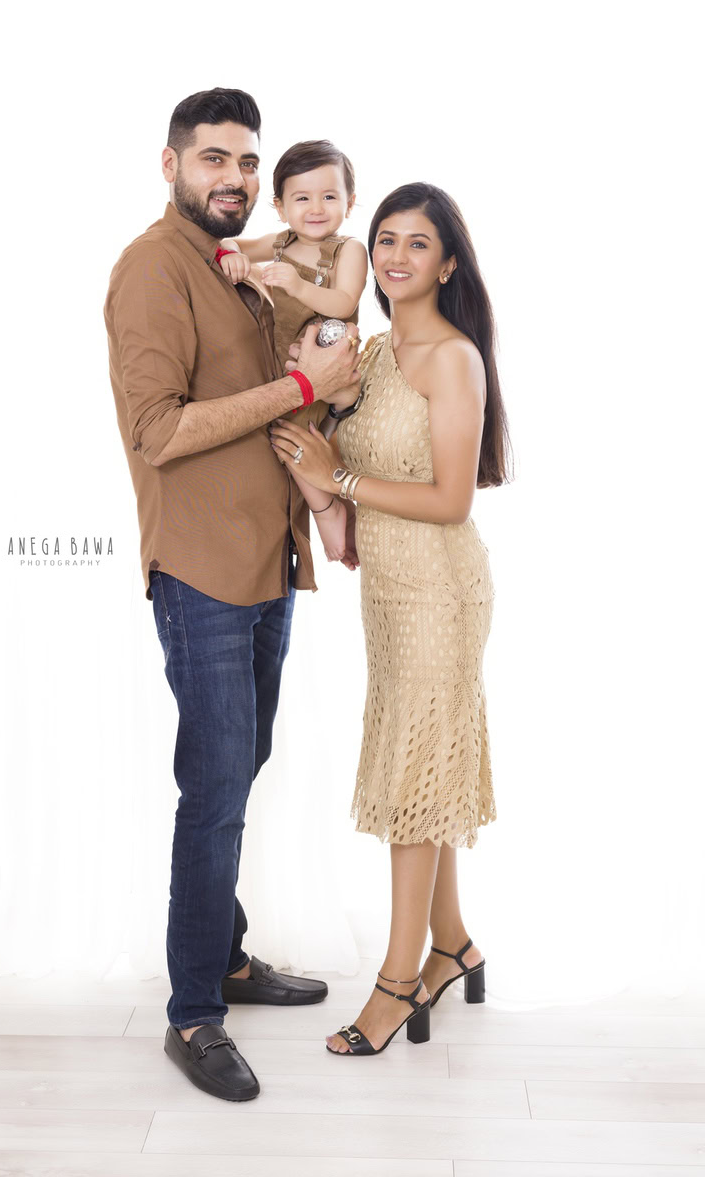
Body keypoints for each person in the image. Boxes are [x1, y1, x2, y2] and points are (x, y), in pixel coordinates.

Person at [104, 88, 361, 1100]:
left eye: (247, 162)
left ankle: (227, 956)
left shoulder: (240, 264)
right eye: (213, 160)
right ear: (168, 164)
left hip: (269, 563)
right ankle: (192, 1012)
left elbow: (333, 306)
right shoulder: (150, 270)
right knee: (214, 787)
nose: (235, 180)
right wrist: (303, 392)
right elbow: (159, 429)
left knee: (237, 763)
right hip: (202, 572)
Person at [270, 182, 512, 1056]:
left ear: (447, 262)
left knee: (414, 779)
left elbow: (450, 500)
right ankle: (453, 944)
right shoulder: (369, 356)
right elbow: (316, 432)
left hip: (442, 592)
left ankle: (398, 979)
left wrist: (341, 482)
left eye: (417, 244)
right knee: (426, 764)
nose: (396, 257)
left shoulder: (452, 359)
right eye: (384, 241)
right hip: (389, 594)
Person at [218, 140, 367, 563]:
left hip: (325, 361)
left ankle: (328, 514)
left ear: (349, 203)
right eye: (302, 198)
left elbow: (344, 300)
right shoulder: (281, 243)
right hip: (284, 369)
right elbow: (235, 245)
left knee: (290, 435)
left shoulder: (347, 250)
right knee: (273, 430)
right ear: (280, 206)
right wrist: (232, 254)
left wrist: (299, 286)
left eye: (329, 196)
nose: (316, 208)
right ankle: (322, 510)